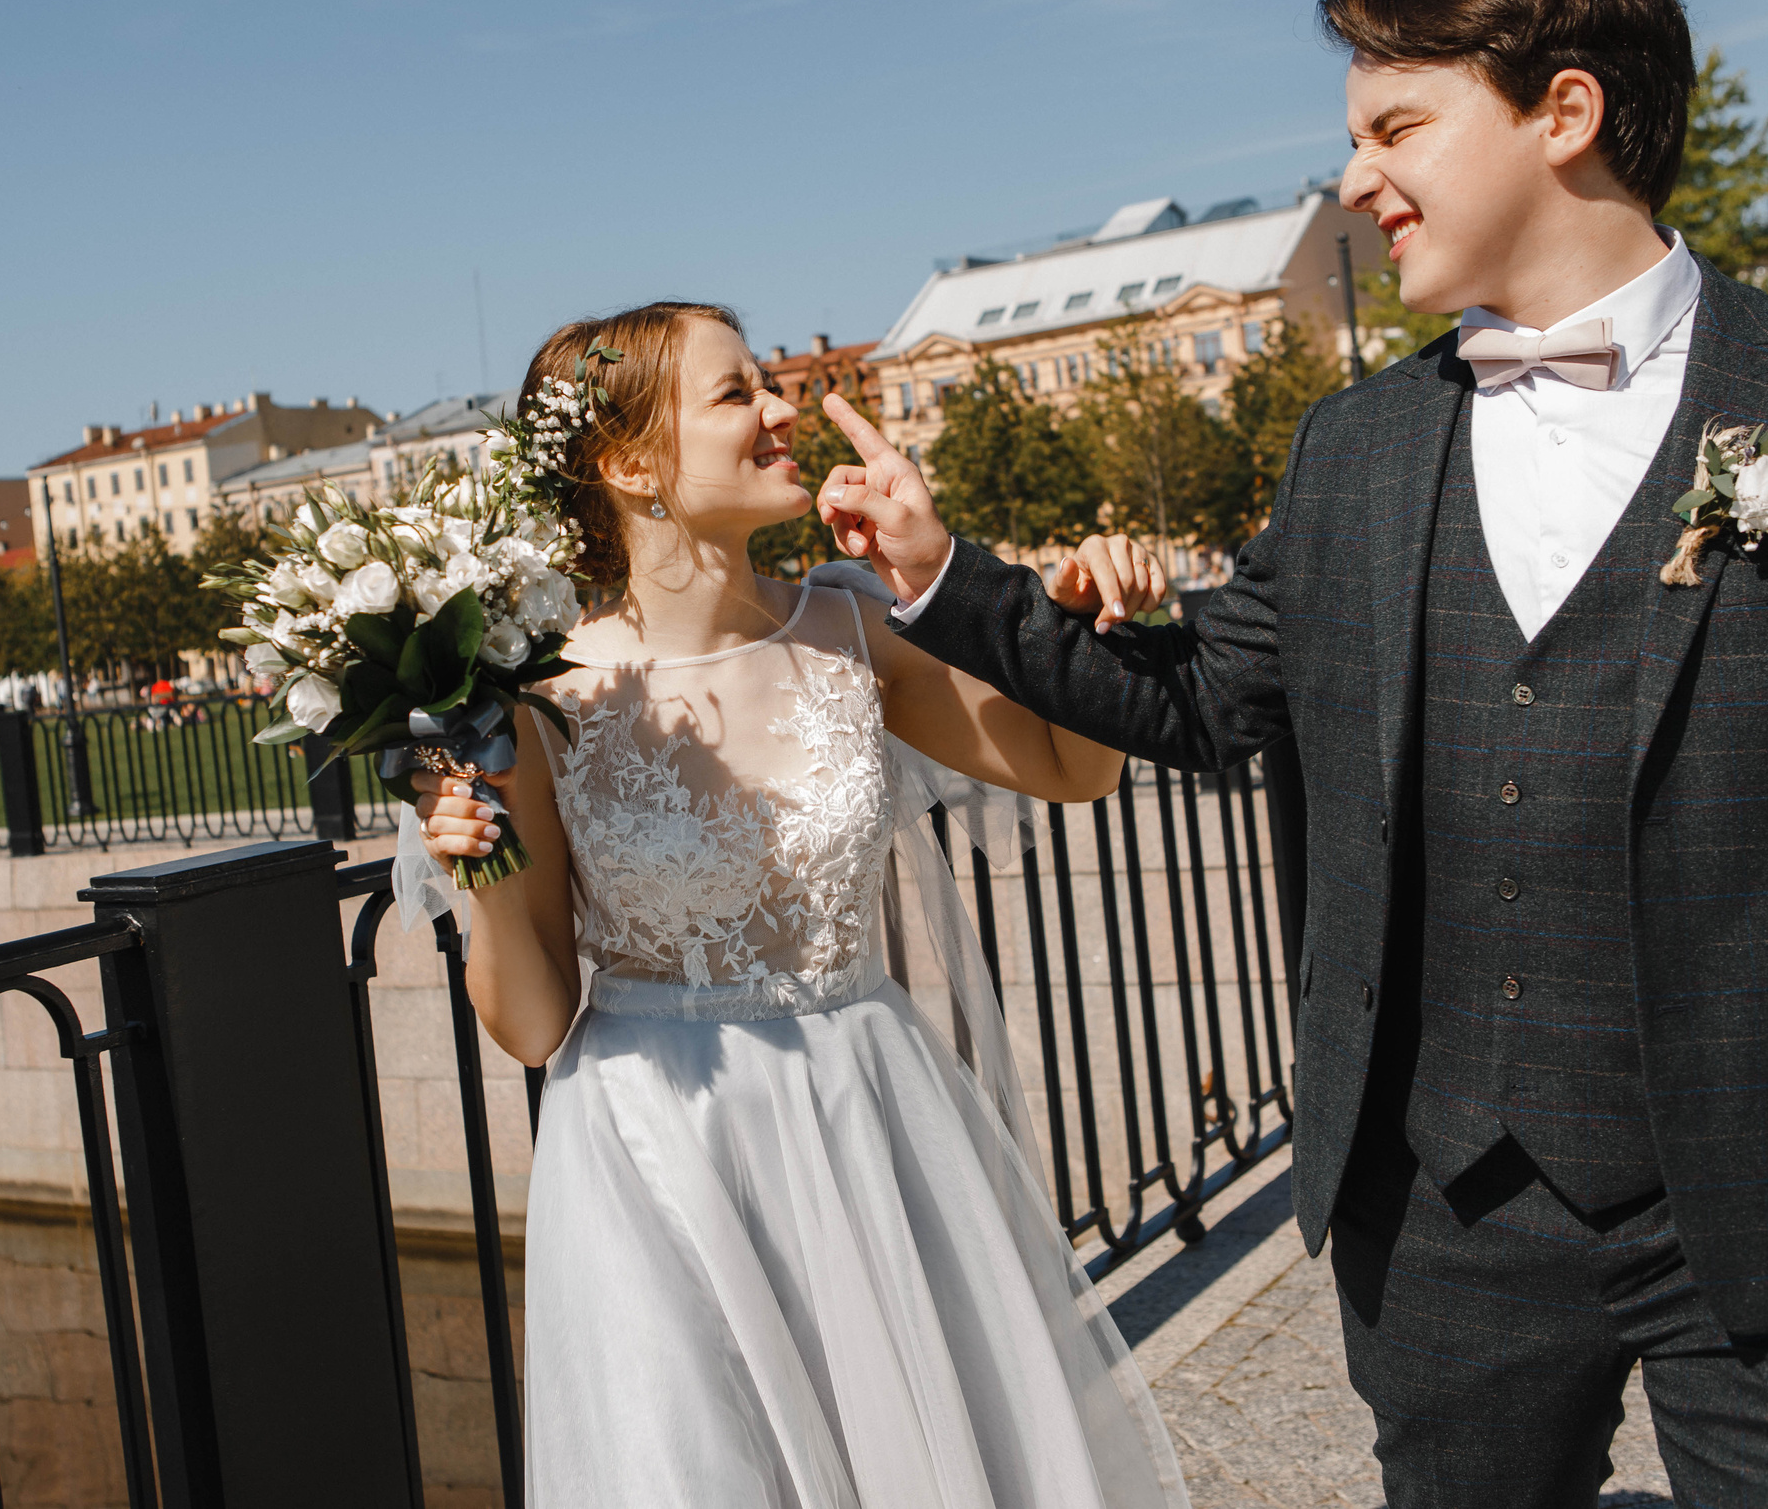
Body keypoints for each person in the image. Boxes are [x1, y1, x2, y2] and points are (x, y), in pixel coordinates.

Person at [815, 0, 1768, 1506]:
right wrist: (947, 575)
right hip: (1448, 1207)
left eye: (1396, 130)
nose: (1359, 181)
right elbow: (1206, 700)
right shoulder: (1356, 448)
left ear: (1563, 112)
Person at [406, 301, 1190, 1508]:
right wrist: (482, 876)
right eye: (737, 395)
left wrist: (1093, 628)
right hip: (656, 1139)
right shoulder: (535, 695)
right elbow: (528, 1023)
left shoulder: (853, 621)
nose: (780, 411)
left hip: (865, 1104)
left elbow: (1070, 770)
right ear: (627, 464)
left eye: (768, 383)